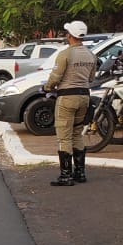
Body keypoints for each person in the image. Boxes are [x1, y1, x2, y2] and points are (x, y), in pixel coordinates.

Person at [44, 21, 97, 186]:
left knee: (64, 136)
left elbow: (55, 77)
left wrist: (47, 87)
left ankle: (65, 176)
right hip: (84, 97)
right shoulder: (91, 55)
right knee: (77, 134)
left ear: (69, 35)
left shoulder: (65, 54)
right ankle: (79, 173)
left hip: (67, 98)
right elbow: (91, 78)